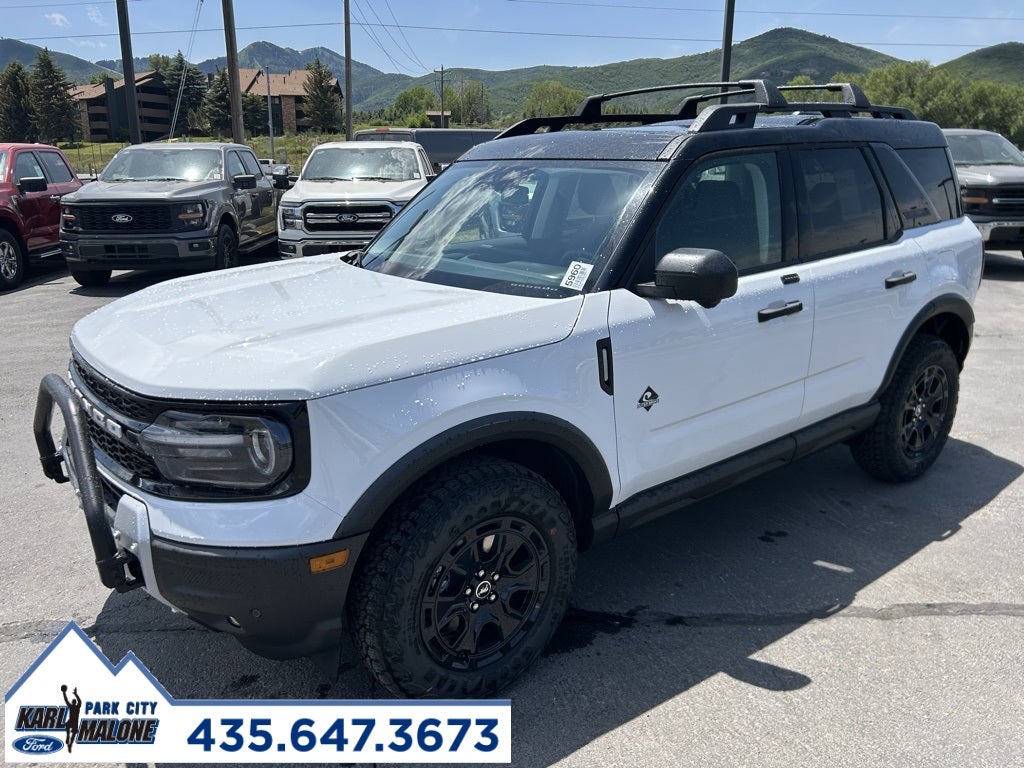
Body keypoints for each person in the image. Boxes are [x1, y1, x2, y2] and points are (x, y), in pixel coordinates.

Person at [61, 684, 82, 753]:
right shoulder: (76, 706)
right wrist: (76, 694)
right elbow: (79, 701)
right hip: (74, 722)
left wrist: (64, 693)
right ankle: (69, 741)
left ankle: (69, 741)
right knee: (72, 733)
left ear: (73, 702)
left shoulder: (73, 706)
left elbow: (66, 700)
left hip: (72, 721)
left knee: (69, 729)